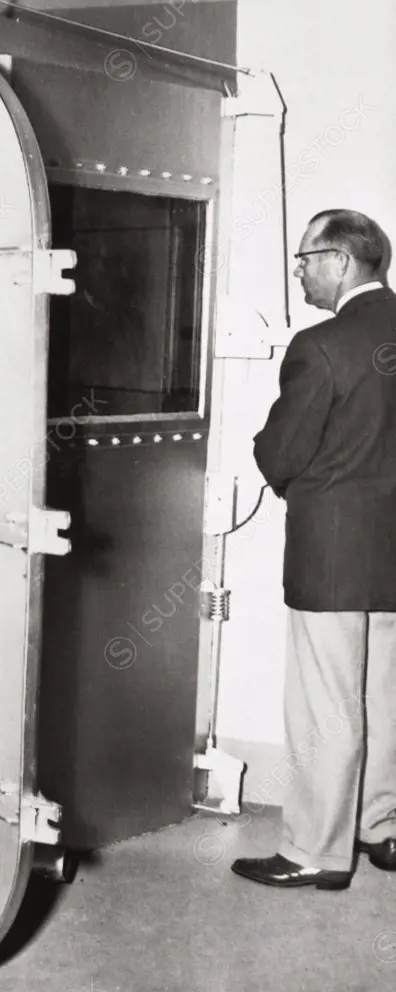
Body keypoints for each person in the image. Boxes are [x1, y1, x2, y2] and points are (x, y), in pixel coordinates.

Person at [232, 208, 396, 890]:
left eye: (305, 258)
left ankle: (314, 853)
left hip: (332, 554)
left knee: (327, 703)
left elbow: (283, 449)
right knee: (384, 695)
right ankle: (381, 828)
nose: (299, 270)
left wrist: (265, 458)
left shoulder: (322, 345)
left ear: (342, 261)